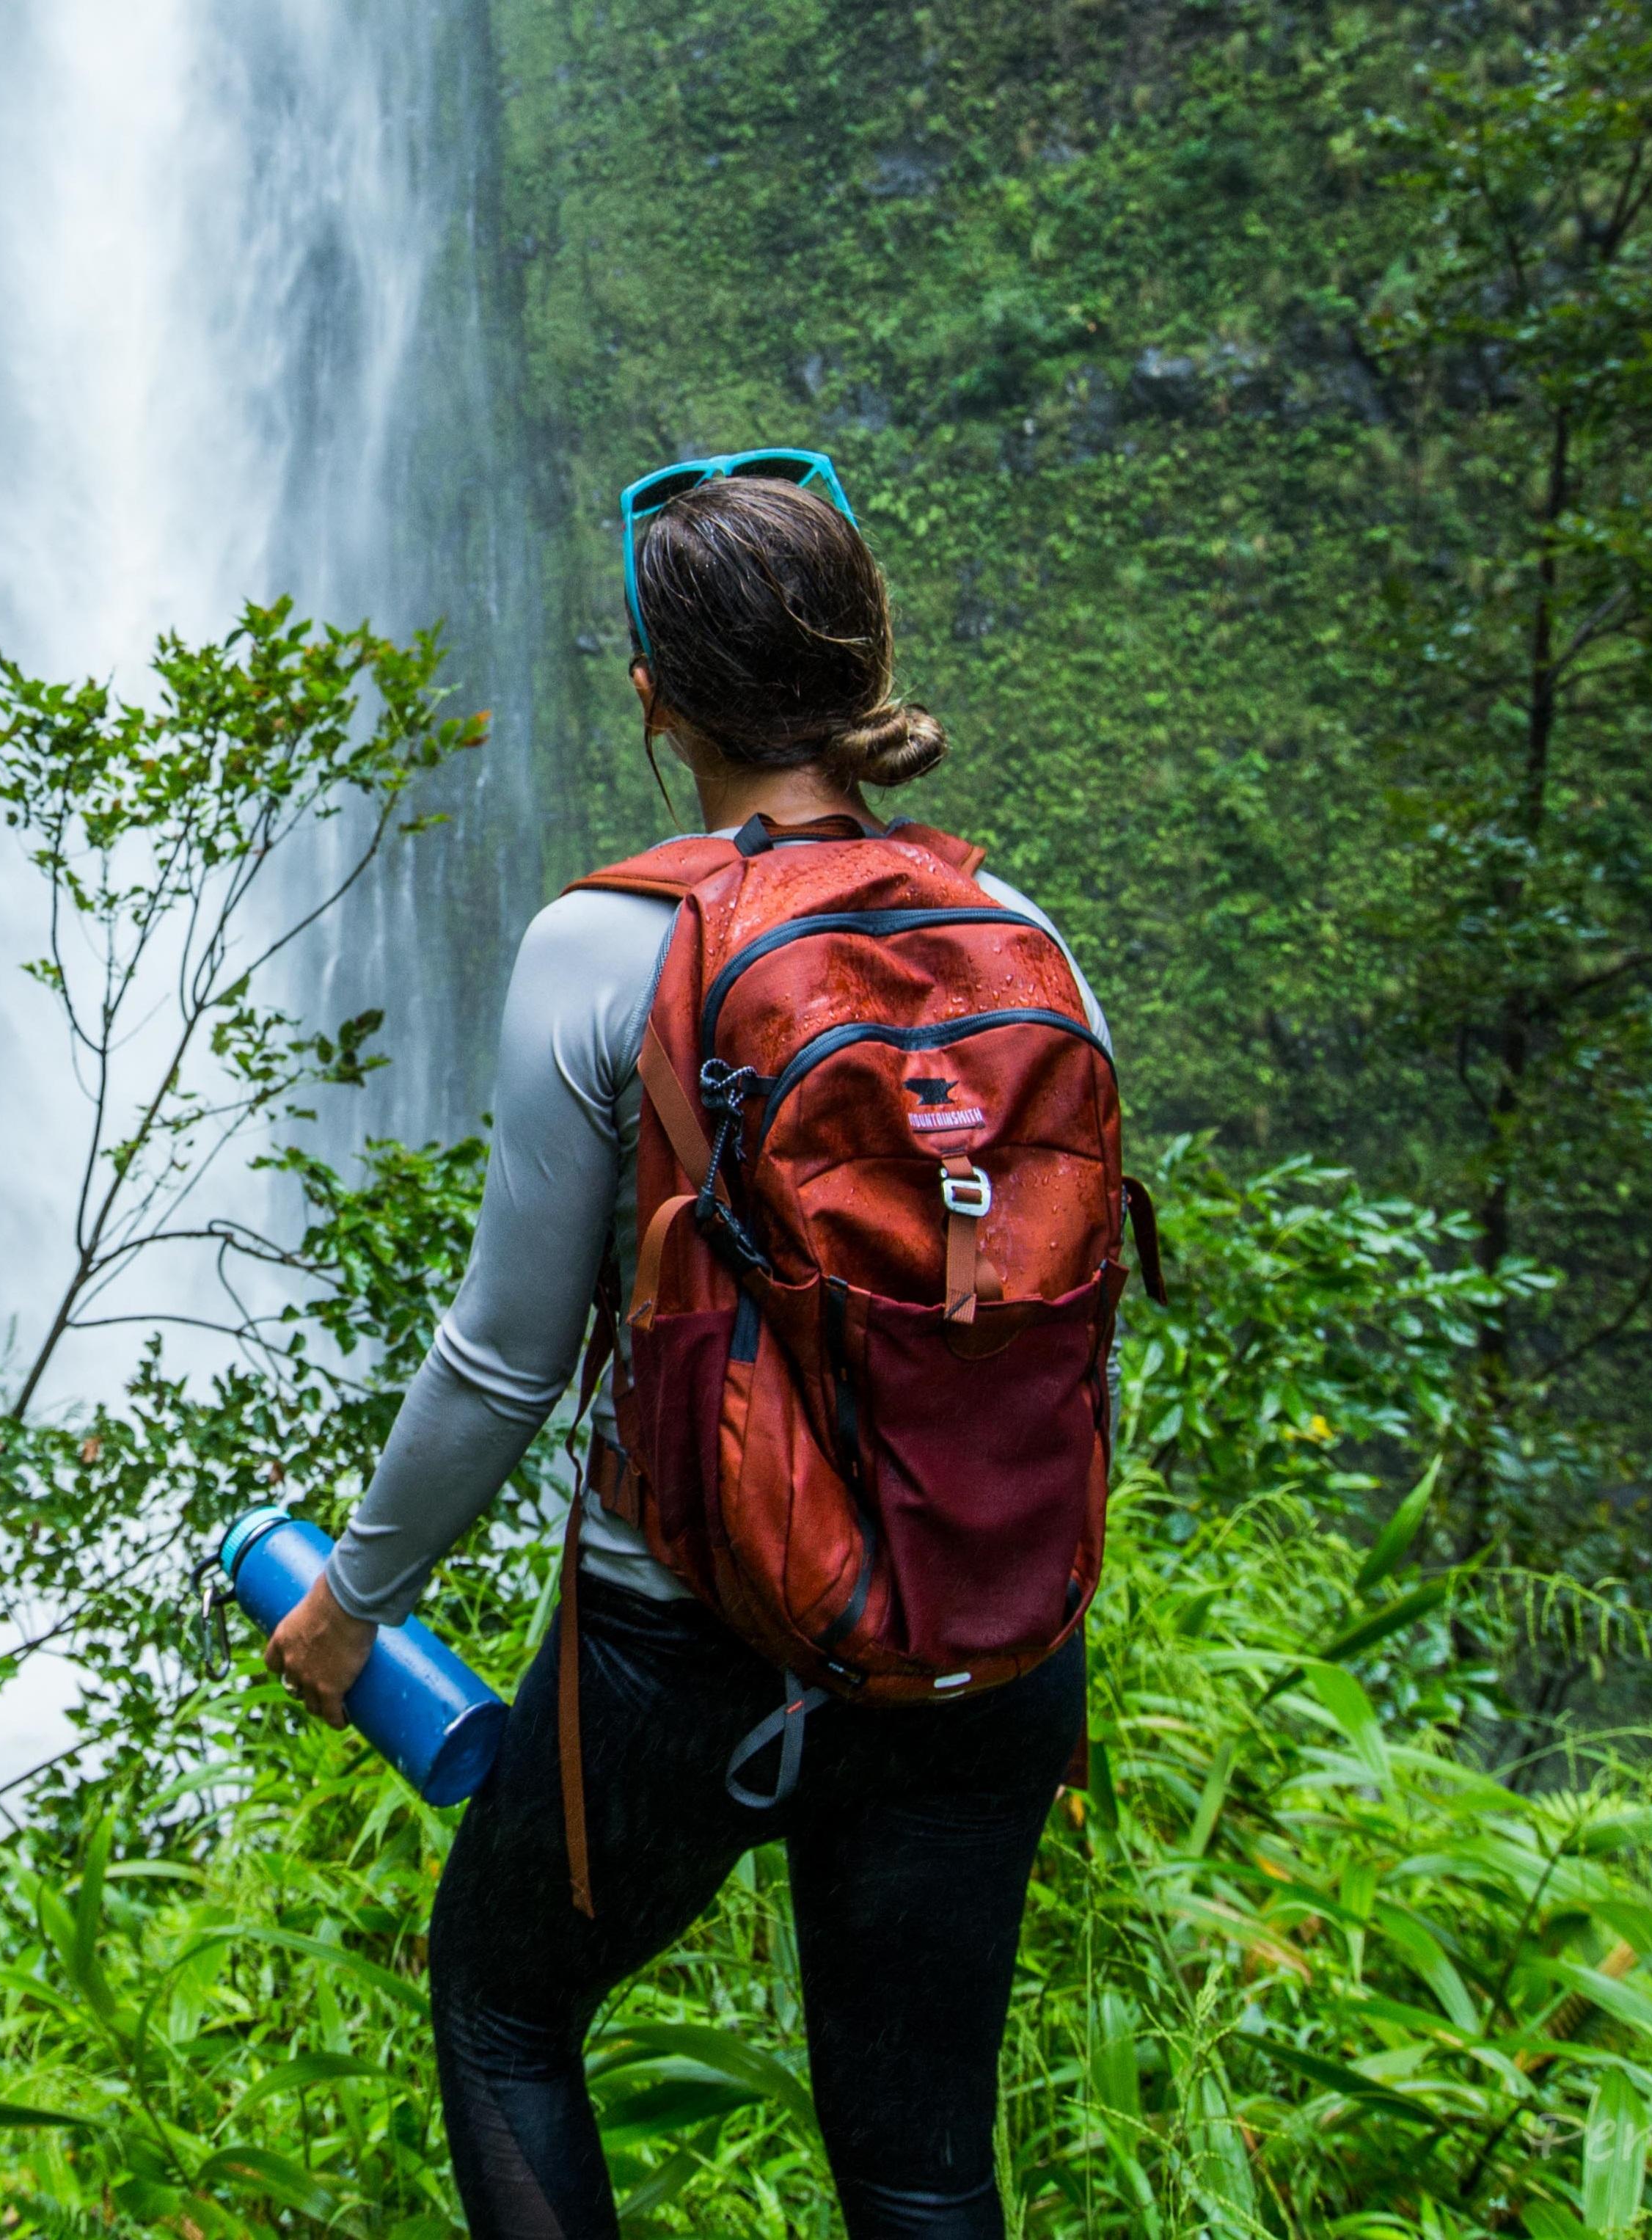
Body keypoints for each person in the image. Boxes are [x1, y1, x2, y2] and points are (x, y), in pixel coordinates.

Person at [263, 459, 1100, 2240]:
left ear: (655, 701)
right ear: (868, 663)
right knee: (922, 2159)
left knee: (505, 2012)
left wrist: (353, 1603)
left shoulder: (599, 949)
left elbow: (506, 1361)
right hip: (984, 1642)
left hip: (693, 1652)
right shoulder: (1028, 943)